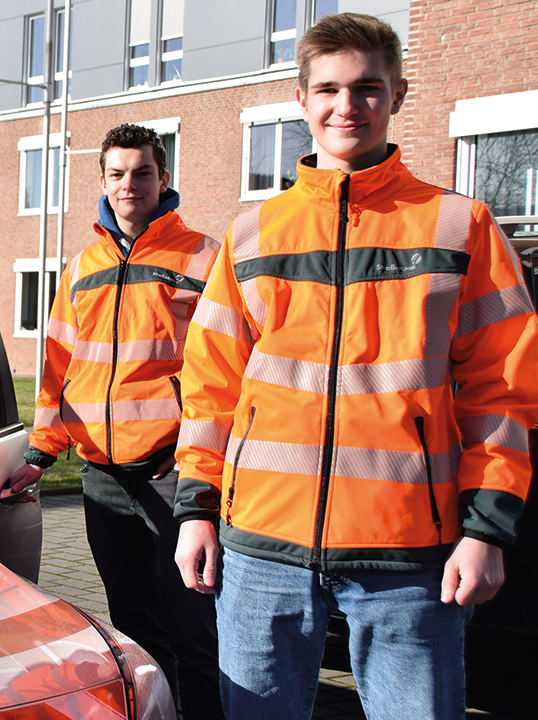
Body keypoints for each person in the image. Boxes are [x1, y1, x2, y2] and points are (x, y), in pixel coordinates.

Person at [172, 13, 538, 720]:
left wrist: (486, 530)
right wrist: (195, 512)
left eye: (368, 87)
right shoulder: (252, 233)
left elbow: (504, 391)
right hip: (260, 551)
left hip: (409, 555)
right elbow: (211, 390)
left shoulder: (460, 225)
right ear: (301, 99)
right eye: (329, 89)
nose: (348, 106)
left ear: (398, 94)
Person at [5, 123, 223, 718]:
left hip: (174, 472)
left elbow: (225, 368)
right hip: (101, 477)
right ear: (102, 181)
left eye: (143, 172)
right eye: (118, 174)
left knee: (194, 626)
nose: (131, 184)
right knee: (133, 626)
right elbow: (58, 365)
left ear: (164, 178)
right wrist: (41, 452)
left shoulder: (204, 256)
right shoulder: (83, 264)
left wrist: (198, 453)